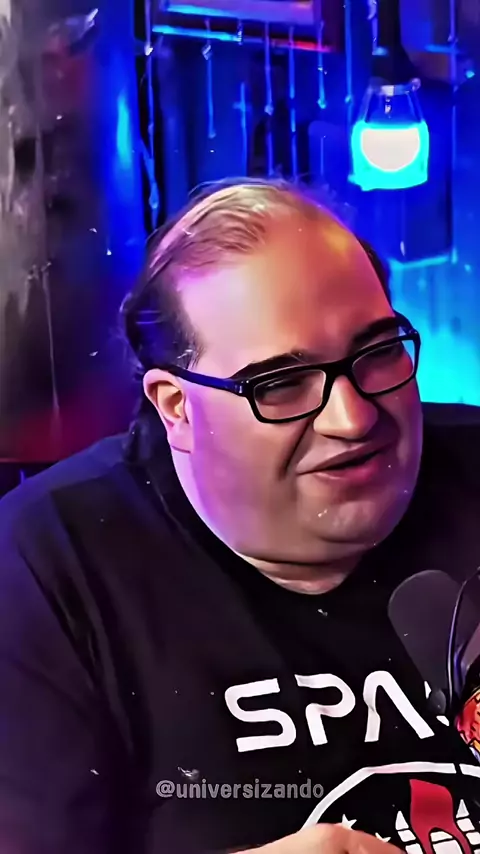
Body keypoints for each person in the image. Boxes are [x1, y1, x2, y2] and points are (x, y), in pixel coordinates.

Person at [1, 179, 480, 854]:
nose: (353, 418)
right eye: (280, 385)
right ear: (175, 406)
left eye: (376, 354)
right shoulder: (46, 563)